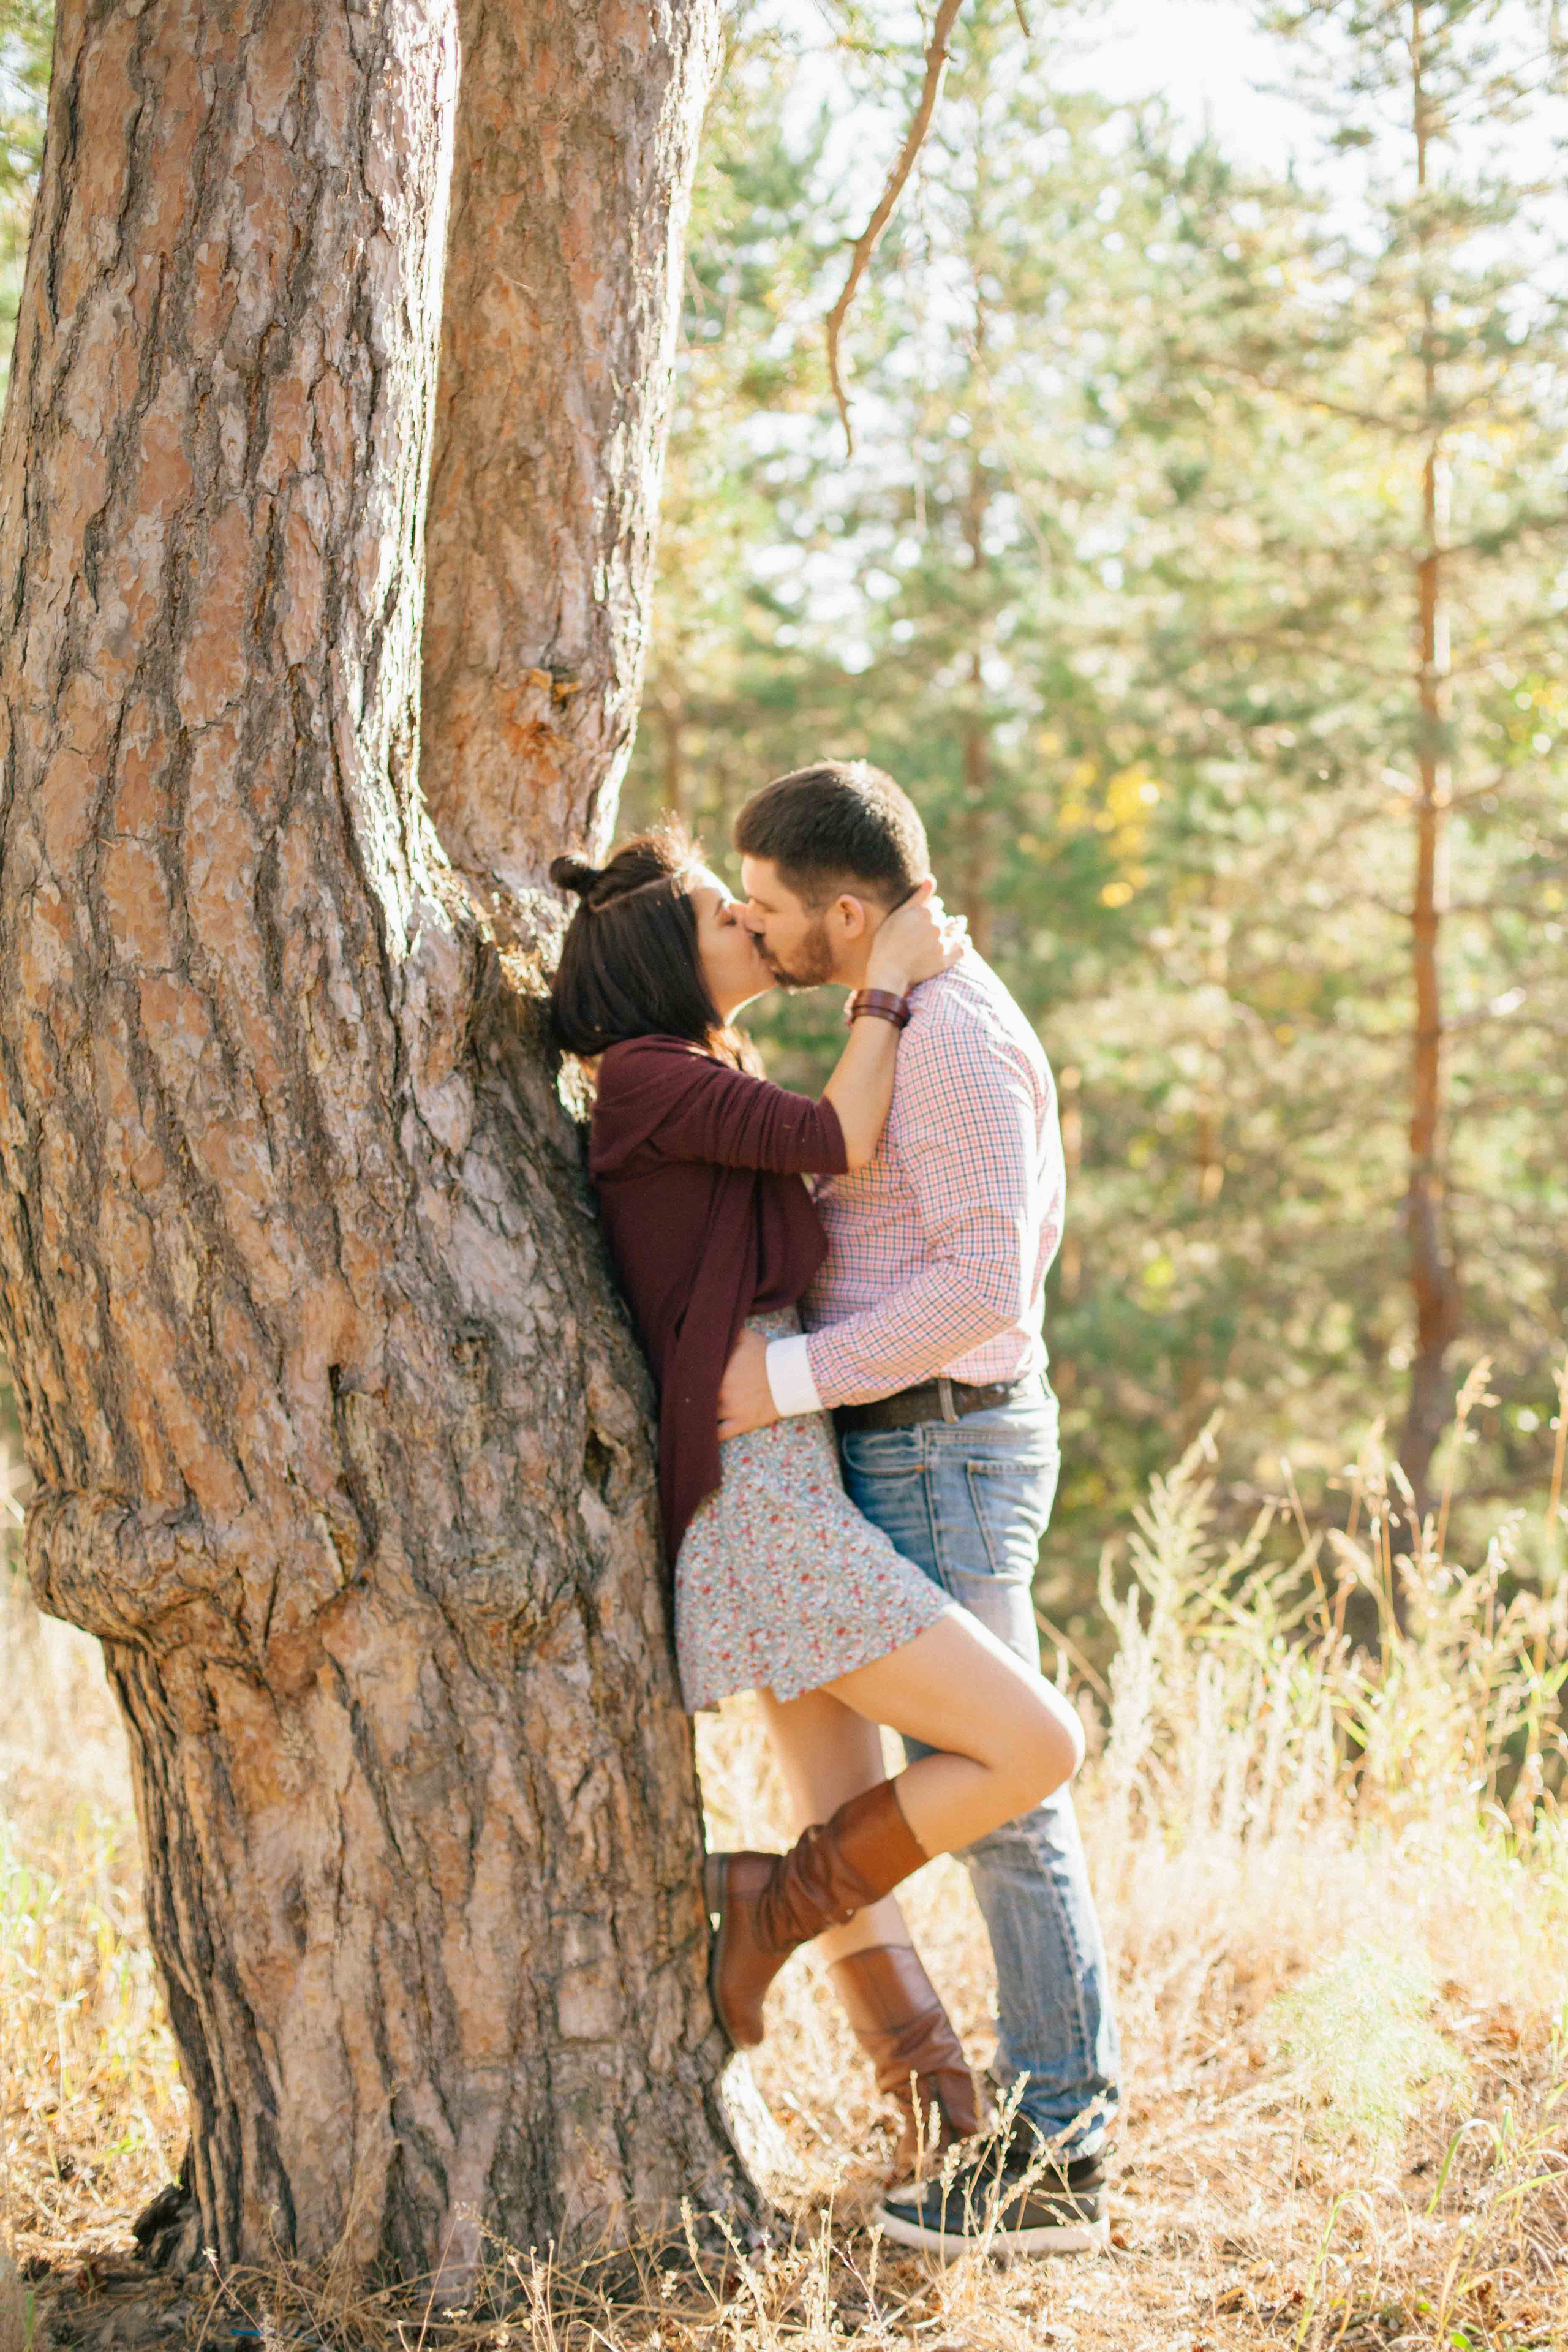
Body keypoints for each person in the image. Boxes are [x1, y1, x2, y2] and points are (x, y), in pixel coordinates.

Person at [548, 827, 1087, 2206]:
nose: (755, 929)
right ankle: (764, 1909)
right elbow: (841, 1135)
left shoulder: (688, 1075)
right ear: (680, 960)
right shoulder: (652, 1082)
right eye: (735, 917)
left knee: (846, 1808)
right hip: (761, 1500)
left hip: (785, 1480)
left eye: (762, 908)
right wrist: (887, 985)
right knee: (1031, 1744)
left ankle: (940, 2116)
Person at [715, 758, 1121, 2260]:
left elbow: (974, 1285)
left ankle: (1061, 2150)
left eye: (770, 909)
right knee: (964, 1781)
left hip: (941, 1443)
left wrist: (791, 1381)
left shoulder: (950, 1036)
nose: (758, 931)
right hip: (891, 1445)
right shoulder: (905, 1019)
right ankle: (961, 2106)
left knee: (1009, 1794)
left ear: (845, 909)